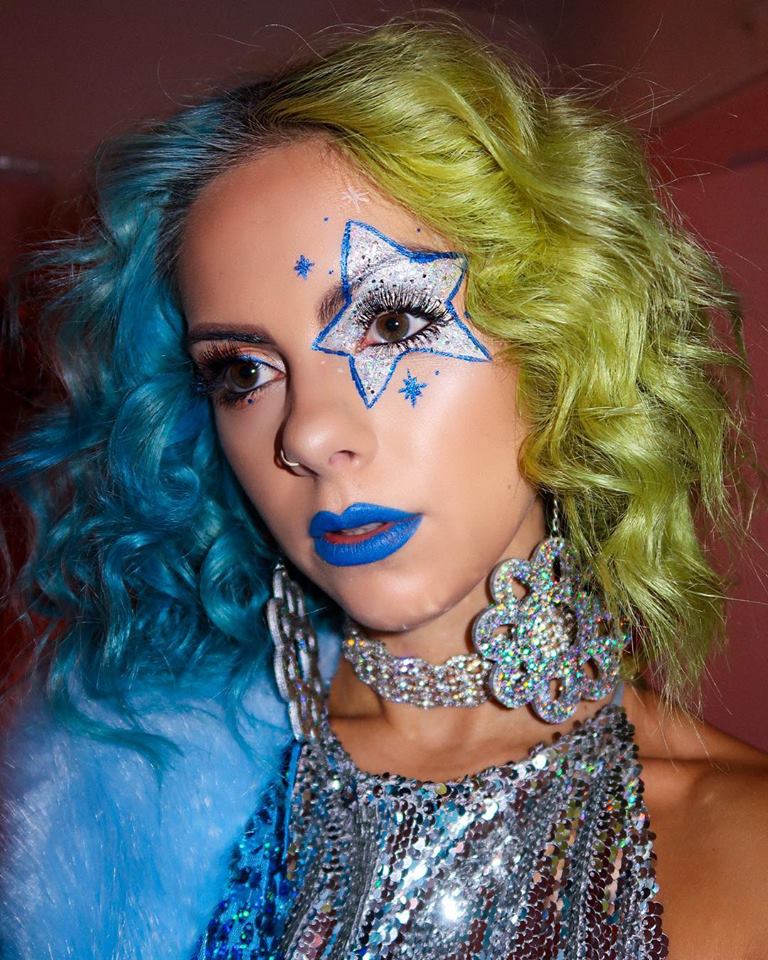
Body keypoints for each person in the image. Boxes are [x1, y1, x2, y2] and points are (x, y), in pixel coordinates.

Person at [1, 19, 766, 960]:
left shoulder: (745, 854)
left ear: (560, 340)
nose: (307, 435)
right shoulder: (118, 810)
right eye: (242, 371)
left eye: (394, 322)